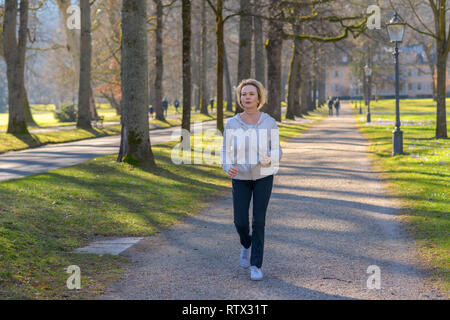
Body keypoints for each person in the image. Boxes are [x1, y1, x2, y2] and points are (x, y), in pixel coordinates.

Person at [221, 78, 282, 281]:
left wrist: (270, 157)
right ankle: (246, 244)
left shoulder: (269, 121)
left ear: (258, 98)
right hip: (240, 176)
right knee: (240, 221)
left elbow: (277, 149)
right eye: (243, 94)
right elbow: (225, 152)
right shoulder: (232, 123)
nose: (247, 97)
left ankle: (256, 264)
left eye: (251, 94)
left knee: (259, 220)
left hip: (264, 175)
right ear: (240, 98)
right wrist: (228, 166)